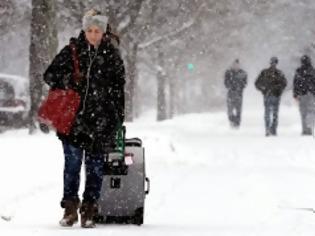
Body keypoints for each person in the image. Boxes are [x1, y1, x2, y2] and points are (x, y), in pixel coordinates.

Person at [43, 9, 125, 228]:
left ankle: (89, 208)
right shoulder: (72, 51)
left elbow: (119, 88)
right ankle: (70, 208)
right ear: (84, 30)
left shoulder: (111, 55)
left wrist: (118, 117)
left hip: (101, 121)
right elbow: (49, 74)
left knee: (96, 167)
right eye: (89, 30)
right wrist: (70, 80)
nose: (93, 34)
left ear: (104, 31)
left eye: (97, 30)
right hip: (73, 121)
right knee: (72, 165)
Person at [255, 57, 287, 136]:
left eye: (274, 63)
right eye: (272, 63)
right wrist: (263, 89)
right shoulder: (268, 72)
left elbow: (284, 84)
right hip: (270, 95)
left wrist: (264, 89)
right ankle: (270, 129)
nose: (273, 64)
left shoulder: (273, 73)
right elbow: (257, 83)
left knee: (270, 113)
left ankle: (270, 129)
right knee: (271, 113)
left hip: (273, 95)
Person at [293, 55, 315, 135]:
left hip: (302, 94)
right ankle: (310, 128)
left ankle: (305, 130)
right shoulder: (313, 71)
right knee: (311, 112)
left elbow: (295, 83)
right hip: (312, 94)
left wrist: (295, 94)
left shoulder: (299, 71)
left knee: (303, 113)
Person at [224, 59, 247, 128]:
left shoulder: (243, 73)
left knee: (238, 110)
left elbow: (245, 83)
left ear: (239, 65)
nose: (236, 66)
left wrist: (239, 87)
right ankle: (232, 120)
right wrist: (231, 86)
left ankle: (237, 124)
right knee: (229, 111)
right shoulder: (228, 72)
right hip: (230, 94)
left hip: (239, 94)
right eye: (234, 65)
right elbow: (226, 82)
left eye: (237, 65)